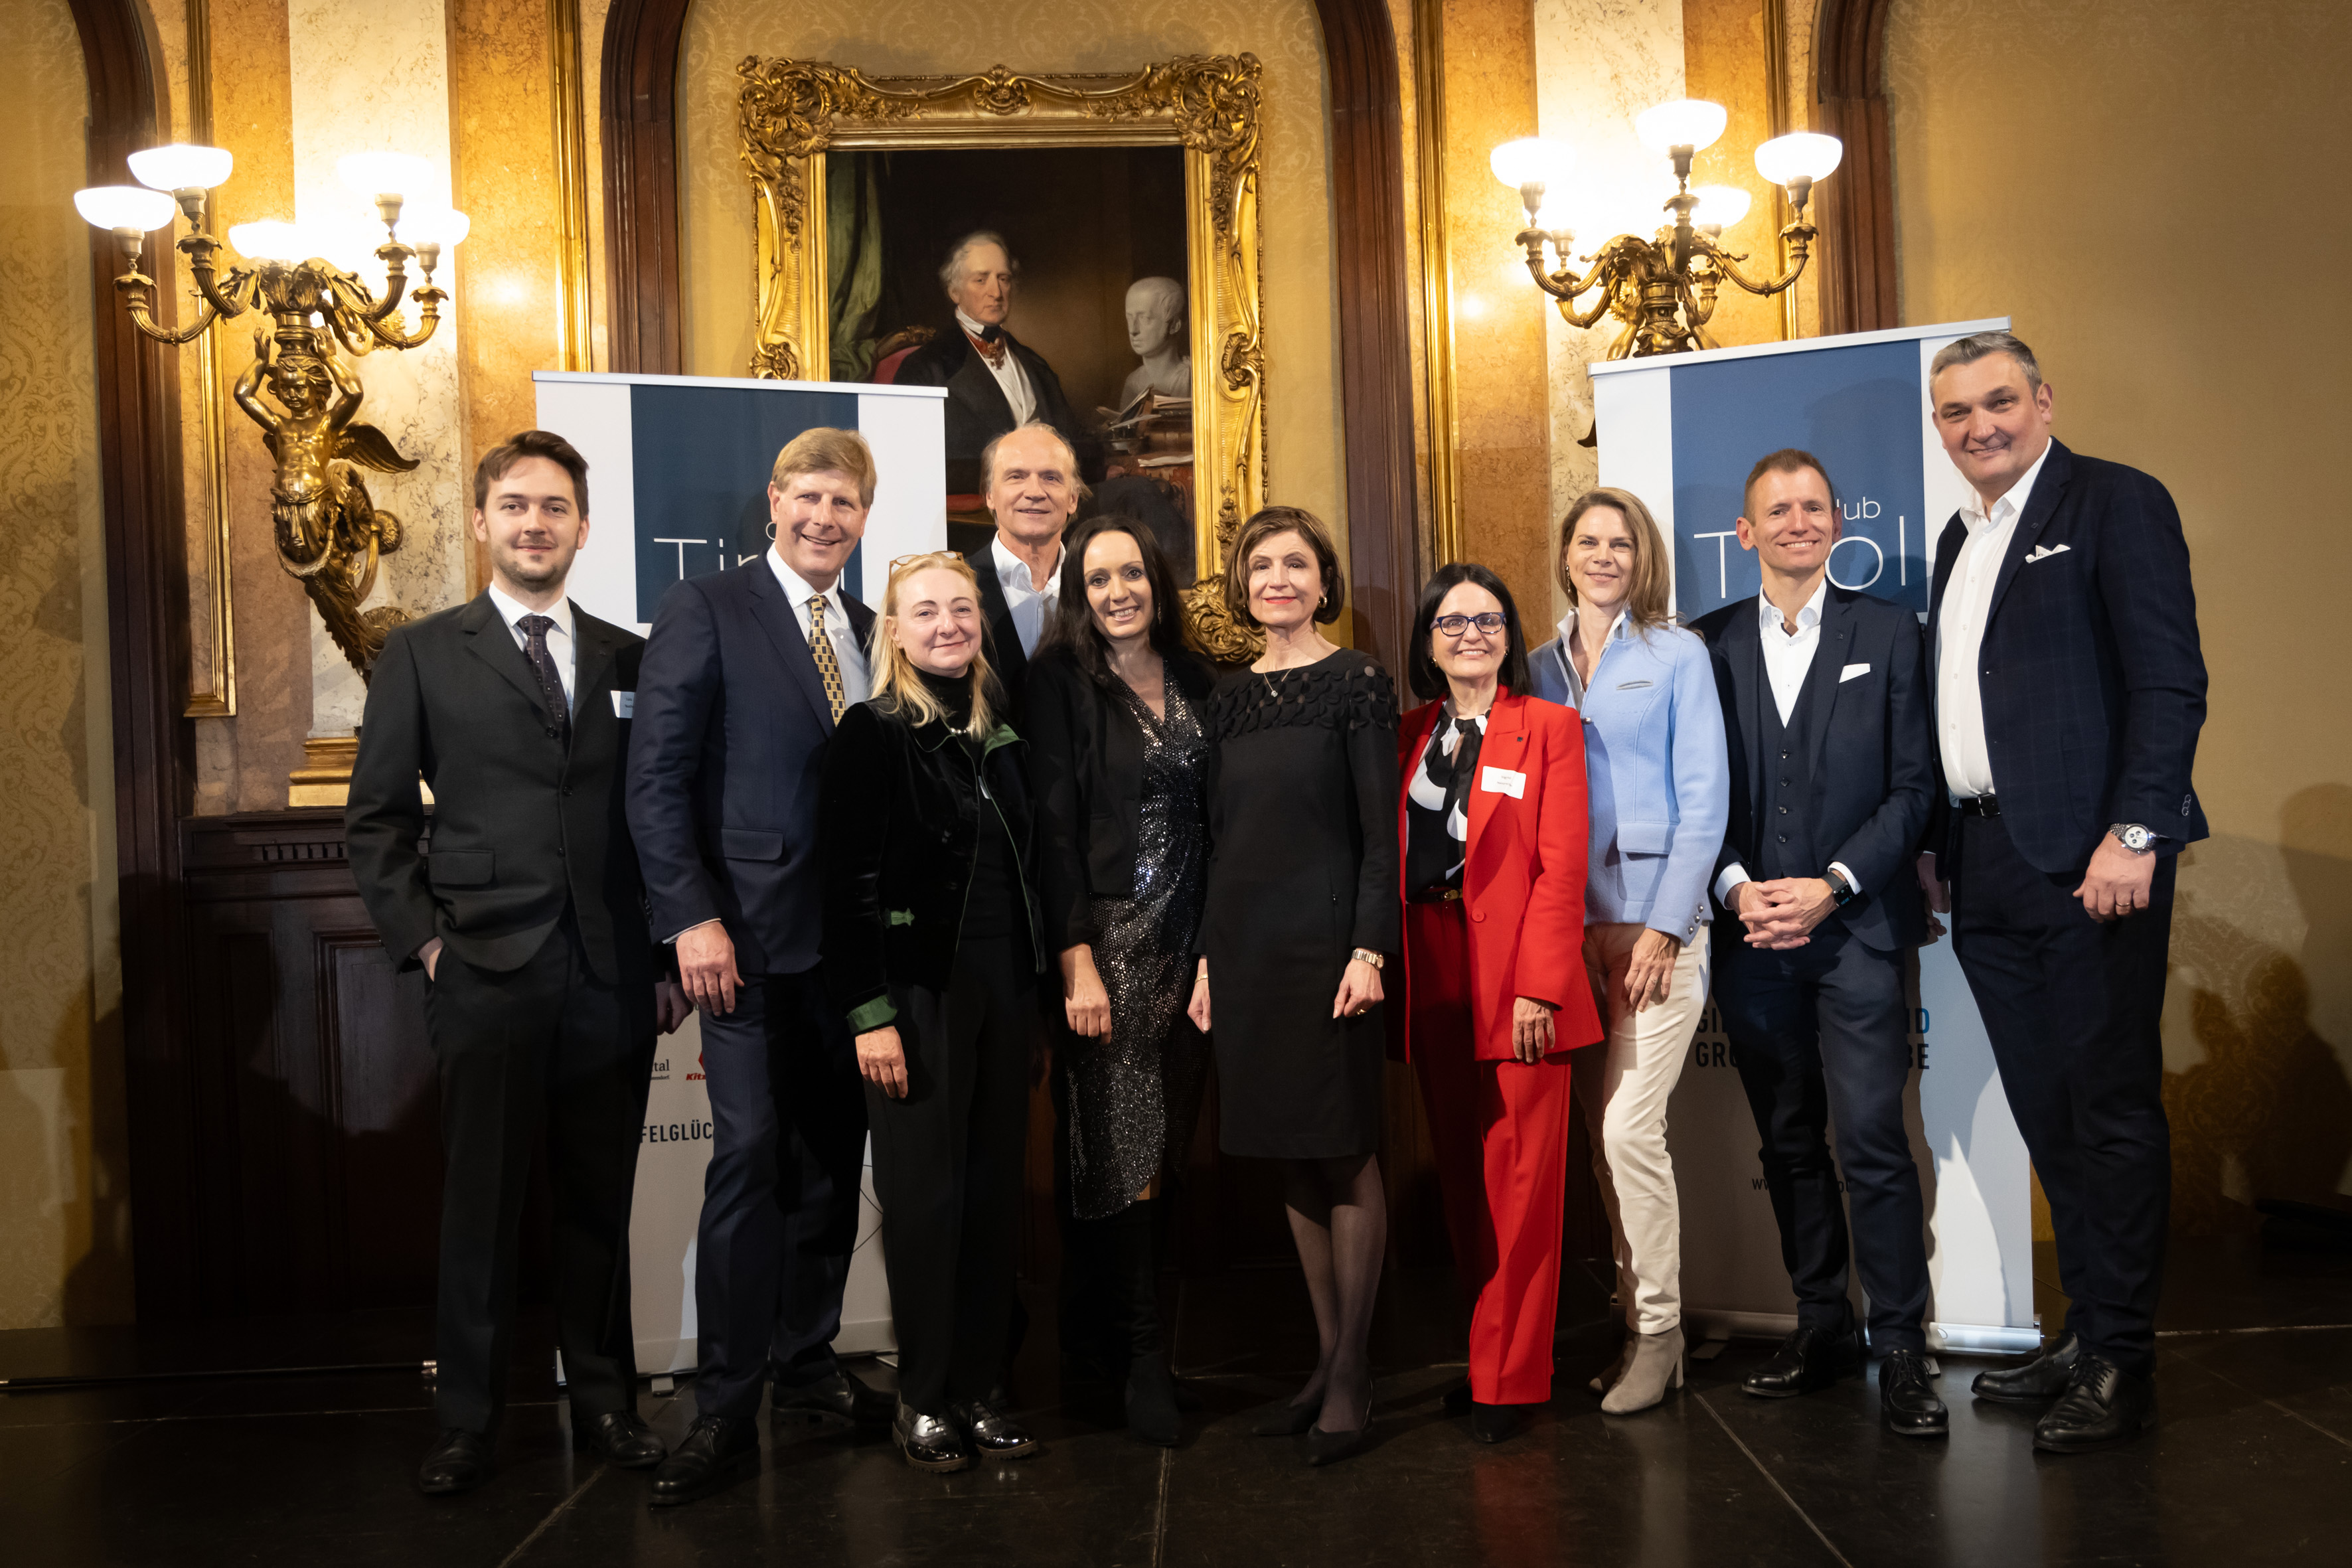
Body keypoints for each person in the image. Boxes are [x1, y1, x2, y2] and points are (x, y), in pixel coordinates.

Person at [346, 430, 684, 1496]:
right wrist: (427, 943)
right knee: (480, 1207)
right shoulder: (421, 652)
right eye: (515, 505)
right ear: (483, 521)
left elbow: (659, 814)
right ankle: (468, 1422)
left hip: (612, 969)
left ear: (583, 527)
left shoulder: (632, 656)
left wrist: (666, 949)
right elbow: (376, 819)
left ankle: (606, 1402)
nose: (535, 523)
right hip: (483, 967)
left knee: (599, 1201)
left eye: (554, 507)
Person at [1916, 331, 2205, 1452]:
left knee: (2109, 1107)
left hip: (2094, 862)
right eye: (1955, 412)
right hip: (1984, 863)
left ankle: (2123, 1360)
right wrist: (1937, 845)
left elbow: (2166, 681)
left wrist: (2134, 831)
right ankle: (2087, 1332)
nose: (1978, 425)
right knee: (2048, 1110)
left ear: (2042, 400)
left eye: (1997, 401)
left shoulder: (2115, 501)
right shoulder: (1957, 536)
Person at [626, 428, 890, 1506]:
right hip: (739, 944)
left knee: (830, 1161)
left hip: (850, 953)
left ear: (864, 519)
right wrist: (689, 917)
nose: (825, 517)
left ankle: (807, 1356)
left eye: (845, 503)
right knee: (746, 1160)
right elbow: (655, 775)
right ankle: (726, 1402)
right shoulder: (705, 607)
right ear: (775, 500)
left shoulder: (873, 629)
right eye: (809, 496)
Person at [1689, 451, 1942, 1437]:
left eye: (1813, 506)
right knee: (1789, 1139)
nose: (1797, 521)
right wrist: (1734, 886)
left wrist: (1832, 885)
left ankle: (1901, 1345)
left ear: (1837, 521)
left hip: (1858, 933)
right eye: (1777, 509)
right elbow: (1689, 792)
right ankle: (1820, 1324)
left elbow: (1914, 787)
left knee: (1872, 1137)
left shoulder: (1889, 632)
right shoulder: (1704, 645)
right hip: (1751, 934)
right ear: (1744, 531)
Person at [819, 552, 1047, 1474]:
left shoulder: (1001, 730)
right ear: (895, 631)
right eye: (925, 611)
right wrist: (869, 1013)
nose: (947, 623)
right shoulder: (871, 732)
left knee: (992, 1195)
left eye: (961, 607)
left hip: (1006, 989)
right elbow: (844, 885)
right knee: (924, 1200)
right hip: (916, 993)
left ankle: (982, 1387)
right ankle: (922, 1395)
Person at [1186, 506, 1398, 1466]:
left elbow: (1378, 835)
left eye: (1295, 564)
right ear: (1243, 584)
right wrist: (1204, 960)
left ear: (1323, 581)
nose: (1277, 578)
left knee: (1343, 1151)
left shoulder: (1356, 680)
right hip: (1244, 955)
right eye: (1261, 564)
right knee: (1287, 1156)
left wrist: (1369, 950)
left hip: (1329, 954)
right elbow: (1215, 840)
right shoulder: (1225, 698)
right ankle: (1322, 1359)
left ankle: (1353, 1372)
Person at [1390, 564, 1602, 1445]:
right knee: (1465, 1178)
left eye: (1487, 620)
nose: (1470, 634)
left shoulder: (1548, 727)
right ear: (1427, 642)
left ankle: (1512, 1380)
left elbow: (1561, 868)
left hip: (1518, 974)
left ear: (1510, 636)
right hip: (1434, 969)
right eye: (1451, 621)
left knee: (1521, 1184)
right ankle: (1485, 1357)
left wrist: (1538, 986)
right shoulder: (1409, 732)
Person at [1529, 487, 1728, 1415]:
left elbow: (1706, 799)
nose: (1604, 555)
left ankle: (1659, 1331)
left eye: (1621, 542)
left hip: (1657, 927)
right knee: (1600, 1148)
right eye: (1588, 540)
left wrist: (1667, 923)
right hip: (1568, 933)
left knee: (1625, 1131)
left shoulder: (1677, 653)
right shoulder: (1535, 664)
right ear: (1566, 554)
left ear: (1641, 557)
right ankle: (1633, 1320)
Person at [1024, 515, 1217, 1447]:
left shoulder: (1197, 677)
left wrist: (1215, 948)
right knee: (1117, 1149)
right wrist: (1075, 961)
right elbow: (1052, 828)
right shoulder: (1059, 681)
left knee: (1161, 1149)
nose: (1116, 592)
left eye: (1130, 573)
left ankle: (1099, 1343)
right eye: (1096, 578)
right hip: (1108, 945)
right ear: (1078, 593)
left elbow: (1225, 818)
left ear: (1155, 581)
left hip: (1190, 946)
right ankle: (1138, 1357)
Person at [894, 230, 1096, 497]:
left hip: (1055, 499)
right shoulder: (926, 368)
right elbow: (914, 463)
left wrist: (1103, 465)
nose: (996, 292)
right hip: (985, 507)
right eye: (981, 280)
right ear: (954, 291)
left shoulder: (1035, 365)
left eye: (1004, 279)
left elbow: (1073, 437)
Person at [968, 420, 1084, 721]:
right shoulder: (958, 588)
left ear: (1073, 498)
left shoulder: (1095, 587)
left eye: (1051, 478)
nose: (1034, 492)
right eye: (1016, 477)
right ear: (990, 495)